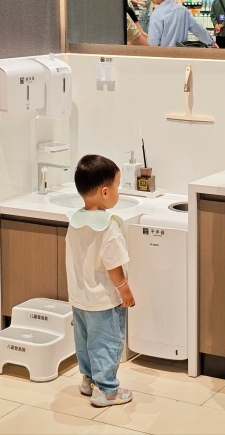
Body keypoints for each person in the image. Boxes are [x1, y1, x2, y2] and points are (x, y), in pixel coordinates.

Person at [66, 154, 136, 407]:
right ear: (105, 192)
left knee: (84, 341)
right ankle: (107, 390)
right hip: (104, 301)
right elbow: (113, 264)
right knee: (107, 342)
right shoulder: (107, 226)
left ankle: (88, 380)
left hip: (80, 298)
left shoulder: (75, 220)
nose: (119, 191)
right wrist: (125, 290)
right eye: (117, 186)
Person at [147, 0, 218, 47]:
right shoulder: (183, 10)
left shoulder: (156, 14)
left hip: (163, 54)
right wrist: (211, 43)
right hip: (182, 52)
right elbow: (198, 29)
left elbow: (153, 42)